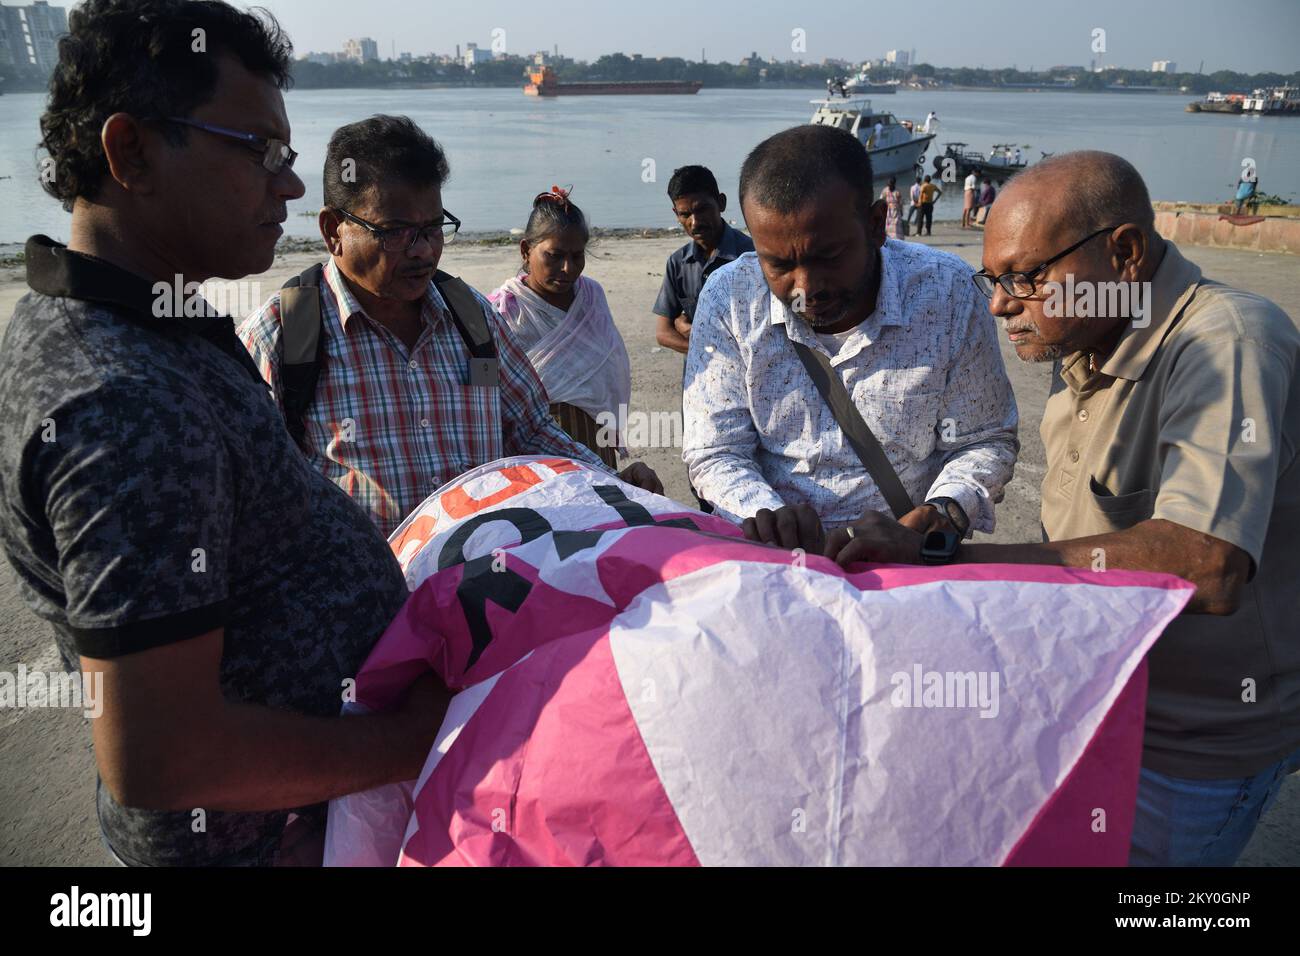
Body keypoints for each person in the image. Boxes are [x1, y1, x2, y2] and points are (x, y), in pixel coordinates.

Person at [0, 0, 450, 868]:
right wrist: (408, 742)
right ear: (130, 152)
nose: (287, 184)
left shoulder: (136, 319)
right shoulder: (121, 398)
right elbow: (164, 755)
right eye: (259, 153)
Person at [824, 151, 1300, 867]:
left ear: (1127, 253)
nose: (997, 303)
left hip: (1186, 744)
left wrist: (948, 557)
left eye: (1025, 277)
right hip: (1089, 707)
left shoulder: (1226, 342)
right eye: (993, 279)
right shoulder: (1083, 345)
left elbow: (1207, 563)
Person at [240, 116, 660, 537]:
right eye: (396, 232)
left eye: (433, 228)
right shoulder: (281, 336)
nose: (422, 251)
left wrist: (613, 481)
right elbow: (250, 497)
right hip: (361, 595)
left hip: (479, 578)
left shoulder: (471, 317)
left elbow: (530, 429)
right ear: (334, 230)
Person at [681, 124, 1018, 548]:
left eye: (829, 256)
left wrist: (940, 514)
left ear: (877, 225)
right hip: (775, 558)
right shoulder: (729, 297)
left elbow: (984, 439)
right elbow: (716, 451)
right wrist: (767, 516)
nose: (806, 287)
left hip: (905, 560)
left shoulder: (947, 291)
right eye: (779, 265)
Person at [488, 187, 632, 468]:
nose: (567, 268)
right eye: (554, 255)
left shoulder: (591, 297)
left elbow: (611, 369)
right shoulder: (505, 310)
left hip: (594, 439)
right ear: (526, 250)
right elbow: (495, 396)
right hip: (530, 451)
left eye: (577, 256)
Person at [652, 165, 754, 355]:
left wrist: (690, 330)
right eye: (685, 214)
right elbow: (663, 332)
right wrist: (706, 348)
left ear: (721, 203)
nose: (695, 222)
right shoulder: (678, 263)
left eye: (702, 209)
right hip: (698, 378)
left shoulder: (751, 257)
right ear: (676, 214)